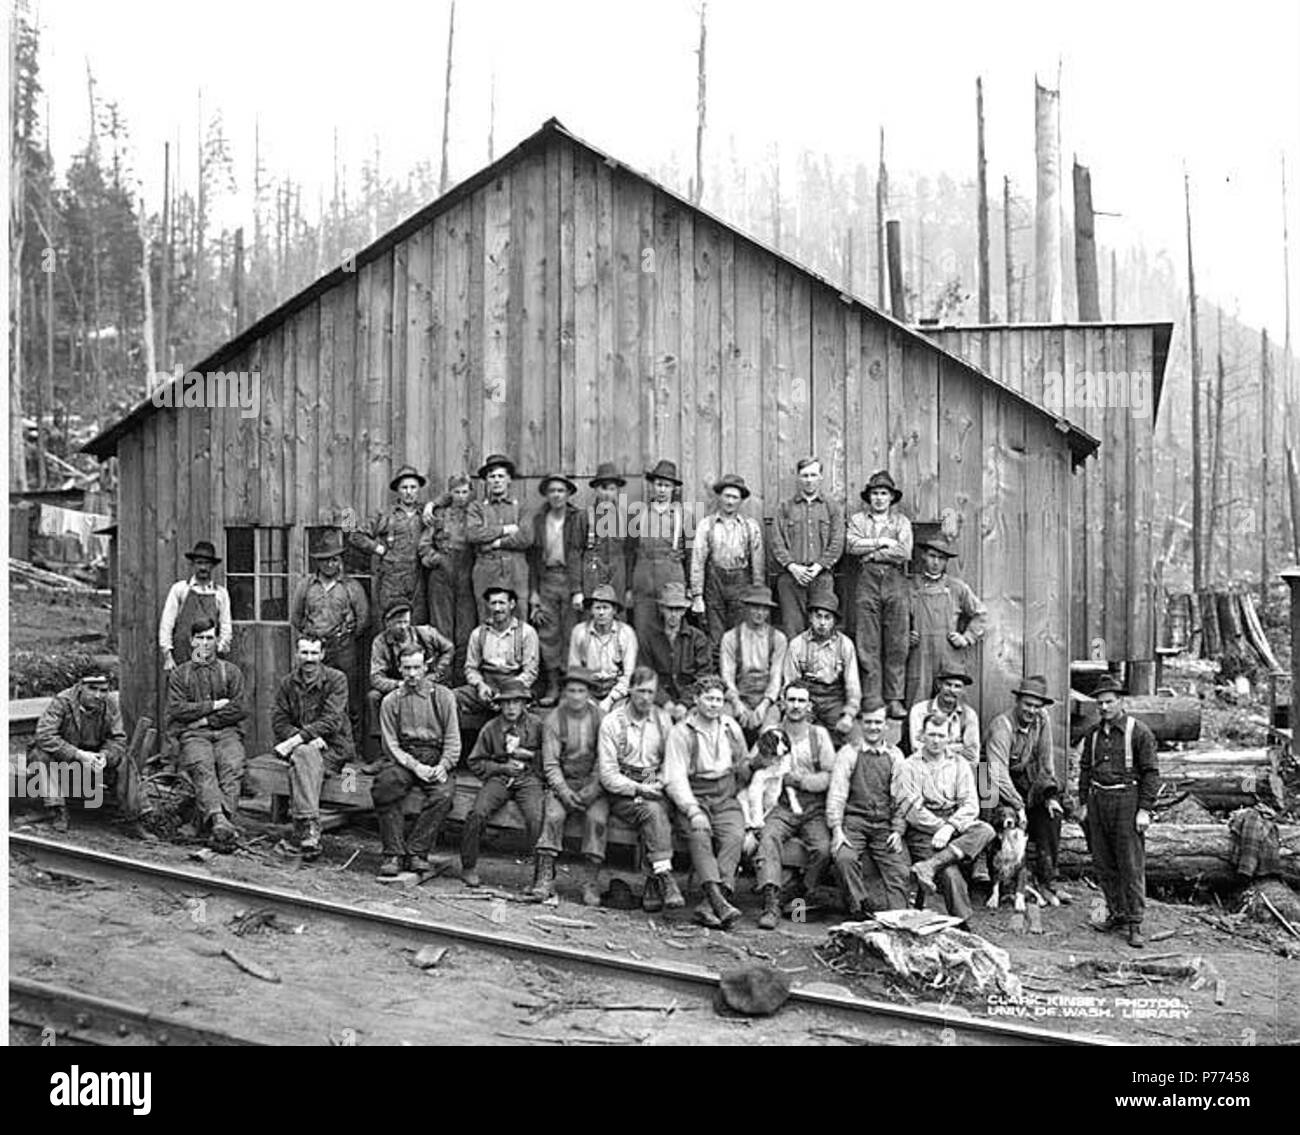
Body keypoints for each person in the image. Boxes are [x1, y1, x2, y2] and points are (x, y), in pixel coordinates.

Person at [1078, 675, 1159, 948]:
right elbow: (1085, 771)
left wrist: (1145, 810)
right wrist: (1082, 804)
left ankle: (1135, 923)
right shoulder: (1092, 734)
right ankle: (1117, 912)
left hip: (1128, 800)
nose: (1103, 707)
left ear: (1121, 702)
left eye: (1109, 702)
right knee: (1103, 862)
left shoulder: (1139, 732)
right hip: (1098, 801)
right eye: (1099, 703)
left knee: (1130, 864)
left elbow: (1150, 774)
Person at [597, 667, 686, 912]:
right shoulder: (612, 722)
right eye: (641, 691)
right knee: (652, 810)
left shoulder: (662, 719)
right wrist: (638, 789)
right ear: (629, 691)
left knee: (659, 807)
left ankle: (653, 883)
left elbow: (671, 761)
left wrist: (658, 783)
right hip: (623, 787)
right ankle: (663, 877)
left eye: (651, 692)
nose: (646, 698)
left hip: (652, 780)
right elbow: (608, 775)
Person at [663, 676, 749, 929]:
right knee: (700, 835)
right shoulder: (681, 732)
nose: (714, 704)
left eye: (719, 700)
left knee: (734, 836)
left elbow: (742, 763)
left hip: (725, 795)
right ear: (696, 700)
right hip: (695, 794)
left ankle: (708, 905)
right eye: (709, 698)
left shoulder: (730, 727)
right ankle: (717, 898)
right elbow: (674, 778)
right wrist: (692, 810)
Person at [752, 682, 837, 930]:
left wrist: (801, 780)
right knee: (768, 837)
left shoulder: (818, 735)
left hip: (813, 807)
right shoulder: (772, 732)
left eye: (801, 701)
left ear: (809, 705)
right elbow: (751, 764)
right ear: (783, 703)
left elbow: (829, 775)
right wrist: (761, 761)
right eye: (791, 700)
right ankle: (771, 902)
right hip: (782, 805)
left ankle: (800, 891)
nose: (796, 706)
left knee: (822, 849)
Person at [372, 645, 461, 877]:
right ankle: (393, 853)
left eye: (417, 668)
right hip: (405, 758)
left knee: (443, 795)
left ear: (425, 668)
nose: (412, 674)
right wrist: (414, 766)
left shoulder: (443, 696)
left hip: (436, 755)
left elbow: (453, 740)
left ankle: (417, 852)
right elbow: (390, 745)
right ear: (399, 669)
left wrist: (443, 766)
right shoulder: (391, 701)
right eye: (407, 668)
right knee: (385, 786)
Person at [901, 711, 995, 925]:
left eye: (941, 736)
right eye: (931, 735)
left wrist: (950, 827)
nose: (935, 741)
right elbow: (912, 810)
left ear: (949, 738)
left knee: (986, 830)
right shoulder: (909, 765)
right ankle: (963, 925)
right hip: (923, 829)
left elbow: (970, 804)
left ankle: (930, 865)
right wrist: (940, 827)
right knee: (951, 873)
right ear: (921, 736)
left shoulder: (959, 763)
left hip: (953, 823)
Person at [983, 675, 1070, 904]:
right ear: (1018, 701)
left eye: (1036, 706)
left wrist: (1050, 795)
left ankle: (1047, 881)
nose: (1031, 710)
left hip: (1022, 780)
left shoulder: (1042, 720)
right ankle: (984, 870)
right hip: (991, 779)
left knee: (1052, 815)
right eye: (1027, 704)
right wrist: (1018, 806)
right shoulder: (1002, 726)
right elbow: (996, 772)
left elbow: (1046, 760)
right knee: (990, 803)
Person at [165, 618, 248, 851]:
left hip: (227, 733)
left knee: (232, 766)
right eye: (200, 637)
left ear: (217, 641)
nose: (204, 642)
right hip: (193, 735)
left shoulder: (230, 672)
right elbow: (177, 709)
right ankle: (220, 821)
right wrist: (213, 705)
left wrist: (205, 719)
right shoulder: (180, 675)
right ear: (192, 641)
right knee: (203, 766)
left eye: (209, 637)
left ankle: (219, 823)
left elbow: (239, 708)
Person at [270, 633, 355, 860]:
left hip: (334, 748)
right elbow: (279, 721)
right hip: (304, 749)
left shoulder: (337, 679)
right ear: (297, 654)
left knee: (301, 755)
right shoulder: (287, 683)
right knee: (304, 754)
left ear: (323, 655)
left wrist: (296, 740)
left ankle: (304, 826)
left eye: (314, 653)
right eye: (305, 652)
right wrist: (305, 738)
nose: (309, 658)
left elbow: (332, 720)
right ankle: (309, 826)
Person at [828, 704, 913, 915]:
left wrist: (897, 830)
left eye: (878, 722)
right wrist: (837, 829)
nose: (873, 727)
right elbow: (837, 794)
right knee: (843, 857)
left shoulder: (895, 755)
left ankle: (898, 916)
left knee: (899, 868)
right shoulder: (848, 753)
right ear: (860, 724)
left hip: (884, 825)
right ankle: (860, 907)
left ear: (885, 725)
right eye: (868, 722)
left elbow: (901, 798)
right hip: (855, 822)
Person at [460, 678, 544, 889]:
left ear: (525, 703)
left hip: (529, 779)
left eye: (516, 702)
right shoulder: (491, 728)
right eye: (506, 703)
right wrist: (501, 768)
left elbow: (551, 757)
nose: (511, 707)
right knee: (477, 812)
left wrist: (531, 757)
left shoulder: (537, 725)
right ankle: (468, 866)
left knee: (536, 818)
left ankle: (540, 877)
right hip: (499, 778)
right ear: (500, 705)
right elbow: (475, 761)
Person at [290, 529, 370, 749]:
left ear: (340, 560)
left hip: (344, 647)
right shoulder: (306, 585)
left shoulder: (351, 586)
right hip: (316, 647)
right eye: (325, 560)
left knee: (350, 697)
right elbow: (296, 617)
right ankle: (316, 742)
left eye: (334, 559)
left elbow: (363, 620)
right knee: (316, 695)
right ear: (318, 562)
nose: (330, 564)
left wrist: (345, 636)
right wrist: (312, 637)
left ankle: (352, 746)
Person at [536, 669, 608, 904]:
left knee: (597, 820)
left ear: (589, 693)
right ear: (564, 693)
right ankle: (545, 877)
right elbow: (550, 763)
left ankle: (590, 881)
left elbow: (605, 760)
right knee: (553, 815)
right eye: (571, 691)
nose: (576, 696)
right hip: (564, 782)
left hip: (595, 785)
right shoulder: (554, 720)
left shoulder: (600, 718)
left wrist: (593, 789)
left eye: (581, 691)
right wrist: (564, 791)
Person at [846, 470, 913, 719]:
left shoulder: (901, 523)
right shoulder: (857, 520)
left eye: (884, 493)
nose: (879, 498)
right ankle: (873, 698)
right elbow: (851, 545)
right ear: (869, 497)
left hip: (895, 579)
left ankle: (894, 699)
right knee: (868, 641)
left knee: (897, 641)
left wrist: (872, 551)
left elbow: (904, 552)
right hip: (867, 580)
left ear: (891, 497)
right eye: (875, 493)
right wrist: (882, 543)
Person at [29, 669, 127, 832]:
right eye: (92, 689)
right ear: (80, 686)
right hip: (65, 756)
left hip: (94, 757)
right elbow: (44, 735)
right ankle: (57, 810)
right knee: (39, 755)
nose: (98, 695)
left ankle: (133, 816)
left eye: (103, 690)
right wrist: (78, 754)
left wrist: (105, 756)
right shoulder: (63, 701)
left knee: (125, 761)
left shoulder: (110, 704)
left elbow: (118, 739)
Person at [906, 533, 987, 710]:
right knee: (916, 705)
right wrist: (905, 636)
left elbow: (980, 614)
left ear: (946, 562)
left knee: (949, 703)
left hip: (948, 655)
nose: (936, 562)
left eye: (941, 558)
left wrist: (966, 638)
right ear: (923, 556)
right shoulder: (910, 585)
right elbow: (895, 619)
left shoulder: (957, 587)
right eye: (932, 556)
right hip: (919, 656)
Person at [368, 601, 454, 762]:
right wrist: (399, 685)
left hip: (427, 683)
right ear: (388, 623)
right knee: (374, 696)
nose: (403, 627)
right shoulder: (380, 643)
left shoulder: (425, 633)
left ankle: (438, 750)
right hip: (399, 685)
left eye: (406, 622)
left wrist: (435, 674)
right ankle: (382, 752)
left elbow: (448, 648)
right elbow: (375, 677)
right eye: (398, 623)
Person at [529, 474, 588, 706]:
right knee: (548, 634)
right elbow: (533, 558)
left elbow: (583, 553)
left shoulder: (578, 518)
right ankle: (553, 684)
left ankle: (569, 686)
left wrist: (579, 588)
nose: (556, 495)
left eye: (561, 491)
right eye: (552, 491)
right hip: (547, 580)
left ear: (568, 494)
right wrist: (534, 591)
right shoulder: (539, 519)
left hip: (571, 579)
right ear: (546, 494)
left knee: (571, 633)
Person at [769, 457, 845, 637]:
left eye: (813, 475)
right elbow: (776, 541)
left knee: (822, 628)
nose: (809, 480)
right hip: (791, 578)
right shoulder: (784, 507)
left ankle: (820, 665)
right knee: (793, 630)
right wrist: (793, 567)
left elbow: (837, 541)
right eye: (804, 475)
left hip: (822, 577)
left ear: (820, 477)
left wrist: (818, 566)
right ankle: (796, 665)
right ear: (798, 477)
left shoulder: (831, 507)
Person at [689, 473, 765, 649]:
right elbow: (698, 562)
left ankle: (738, 675)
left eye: (735, 497)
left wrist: (757, 595)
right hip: (714, 585)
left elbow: (758, 566)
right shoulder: (706, 525)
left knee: (739, 636)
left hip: (741, 585)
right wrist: (697, 596)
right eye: (727, 496)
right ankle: (716, 675)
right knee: (715, 636)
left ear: (741, 500)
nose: (730, 501)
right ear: (719, 497)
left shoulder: (750, 526)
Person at [348, 463, 429, 625]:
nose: (409, 492)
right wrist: (379, 549)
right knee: (390, 623)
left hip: (418, 578)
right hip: (392, 580)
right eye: (404, 487)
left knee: (417, 623)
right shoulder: (385, 515)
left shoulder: (425, 514)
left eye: (413, 487)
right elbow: (356, 536)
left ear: (419, 489)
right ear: (398, 490)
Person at [456, 586, 541, 730]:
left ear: (512, 604)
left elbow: (530, 671)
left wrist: (507, 691)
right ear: (488, 606)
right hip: (487, 687)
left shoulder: (526, 632)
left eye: (502, 603)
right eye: (493, 603)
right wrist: (480, 685)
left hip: (515, 688)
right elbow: (471, 668)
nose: (497, 608)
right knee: (451, 698)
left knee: (517, 709)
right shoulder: (478, 633)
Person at [420, 473, 478, 682]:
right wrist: (437, 560)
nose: (461, 496)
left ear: (470, 492)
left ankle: (463, 681)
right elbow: (424, 546)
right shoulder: (439, 515)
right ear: (450, 493)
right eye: (456, 492)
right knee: (441, 630)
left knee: (465, 630)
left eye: (465, 492)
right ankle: (442, 679)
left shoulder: (476, 512)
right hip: (441, 576)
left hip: (467, 574)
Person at [782, 594, 859, 738]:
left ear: (834, 621)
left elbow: (853, 685)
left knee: (855, 739)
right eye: (818, 617)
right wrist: (798, 708)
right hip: (805, 698)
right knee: (792, 735)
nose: (822, 623)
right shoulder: (797, 644)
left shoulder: (845, 645)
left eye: (827, 617)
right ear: (810, 618)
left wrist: (849, 714)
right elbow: (790, 683)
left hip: (834, 700)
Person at [466, 454, 532, 621]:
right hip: (486, 569)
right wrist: (505, 529)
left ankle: (519, 648)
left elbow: (526, 538)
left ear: (509, 479)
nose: (496, 480)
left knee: (519, 616)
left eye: (501, 476)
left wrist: (495, 543)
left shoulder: (522, 505)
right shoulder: (477, 507)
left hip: (516, 568)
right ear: (486, 480)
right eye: (492, 476)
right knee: (487, 617)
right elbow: (473, 534)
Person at [628, 459, 687, 643]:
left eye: (667, 485)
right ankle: (645, 670)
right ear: (653, 486)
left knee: (671, 627)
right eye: (659, 484)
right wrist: (629, 587)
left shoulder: (682, 516)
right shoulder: (638, 514)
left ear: (673, 489)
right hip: (643, 577)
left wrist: (691, 588)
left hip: (671, 575)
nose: (662, 489)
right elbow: (630, 551)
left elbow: (691, 553)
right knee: (643, 626)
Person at [719, 584, 787, 739]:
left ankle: (758, 760)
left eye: (764, 609)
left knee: (770, 732)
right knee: (725, 726)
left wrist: (765, 705)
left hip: (767, 698)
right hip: (739, 695)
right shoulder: (730, 638)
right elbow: (727, 676)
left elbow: (776, 677)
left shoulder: (778, 638)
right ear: (746, 608)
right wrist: (736, 703)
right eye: (755, 607)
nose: (760, 613)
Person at [640, 581, 714, 720]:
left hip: (692, 702)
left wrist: (685, 704)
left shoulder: (697, 638)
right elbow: (646, 674)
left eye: (678, 609)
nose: (674, 614)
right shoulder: (649, 637)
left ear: (685, 610)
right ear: (662, 609)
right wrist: (665, 702)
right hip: (657, 701)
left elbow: (704, 676)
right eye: (670, 609)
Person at [158, 539, 232, 670]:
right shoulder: (180, 589)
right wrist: (168, 656)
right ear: (193, 564)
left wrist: (219, 649)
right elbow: (167, 624)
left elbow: (226, 627)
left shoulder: (221, 593)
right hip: (182, 657)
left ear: (213, 566)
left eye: (207, 563)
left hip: (209, 659)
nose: (203, 567)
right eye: (199, 563)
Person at [567, 584, 638, 712]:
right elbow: (574, 672)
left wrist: (610, 700)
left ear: (614, 610)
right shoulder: (580, 632)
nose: (601, 613)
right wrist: (587, 698)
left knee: (618, 717)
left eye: (605, 608)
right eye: (597, 608)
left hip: (616, 691)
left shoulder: (626, 633)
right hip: (588, 690)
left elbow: (629, 675)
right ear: (591, 610)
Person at [907, 666, 980, 761]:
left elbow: (973, 756)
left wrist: (935, 748)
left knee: (983, 771)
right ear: (939, 685)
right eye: (948, 685)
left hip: (957, 770)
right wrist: (957, 748)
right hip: (925, 768)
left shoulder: (969, 715)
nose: (952, 690)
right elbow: (917, 750)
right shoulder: (920, 711)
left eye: (957, 686)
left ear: (963, 691)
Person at [583, 462, 630, 603]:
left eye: (612, 489)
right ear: (596, 489)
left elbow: (631, 554)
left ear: (617, 491)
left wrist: (629, 588)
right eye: (603, 488)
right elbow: (575, 552)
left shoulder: (626, 517)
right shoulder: (585, 516)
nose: (607, 493)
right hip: (592, 576)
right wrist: (576, 590)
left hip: (618, 578)